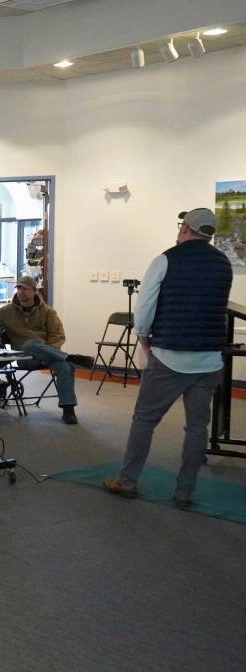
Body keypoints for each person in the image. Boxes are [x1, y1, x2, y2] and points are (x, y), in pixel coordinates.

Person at [104, 208, 232, 508]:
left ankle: (127, 481)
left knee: (144, 420)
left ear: (186, 228)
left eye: (181, 225)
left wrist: (144, 340)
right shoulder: (223, 264)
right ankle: (184, 493)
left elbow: (145, 308)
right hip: (210, 359)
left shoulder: (166, 259)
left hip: (170, 357)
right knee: (197, 427)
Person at [0, 275, 94, 425]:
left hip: (47, 355)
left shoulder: (48, 312)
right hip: (23, 357)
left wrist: (48, 352)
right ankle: (69, 357)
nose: (21, 292)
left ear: (34, 291)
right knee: (29, 345)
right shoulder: (4, 312)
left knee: (65, 367)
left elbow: (58, 335)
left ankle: (68, 409)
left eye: (25, 289)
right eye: (19, 288)